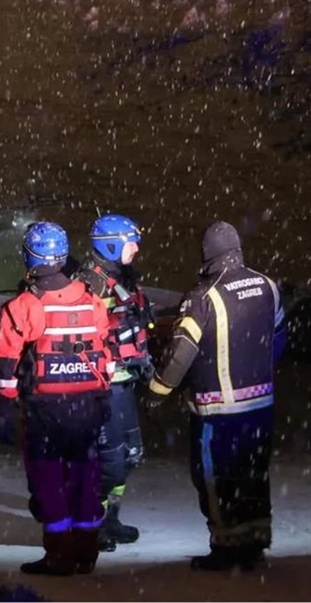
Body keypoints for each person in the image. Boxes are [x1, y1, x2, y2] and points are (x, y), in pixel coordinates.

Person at [146, 220, 287, 571]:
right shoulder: (268, 286)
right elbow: (280, 337)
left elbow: (181, 354)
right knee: (254, 474)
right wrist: (257, 371)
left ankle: (225, 549)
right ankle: (255, 544)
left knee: (215, 479)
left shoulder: (202, 297)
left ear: (206, 255)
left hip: (218, 413)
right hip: (261, 407)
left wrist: (156, 392)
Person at [0, 221, 114, 576]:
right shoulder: (92, 300)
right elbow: (105, 351)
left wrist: (6, 406)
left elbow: (6, 361)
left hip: (46, 411)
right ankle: (86, 551)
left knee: (49, 480)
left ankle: (59, 555)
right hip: (89, 407)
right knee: (85, 477)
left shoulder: (24, 307)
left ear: (29, 256)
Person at [72, 213, 153, 552]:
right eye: (130, 242)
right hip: (102, 388)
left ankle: (110, 517)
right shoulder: (90, 284)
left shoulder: (125, 280)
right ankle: (91, 523)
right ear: (111, 245)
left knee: (131, 454)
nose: (136, 248)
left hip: (124, 383)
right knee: (108, 461)